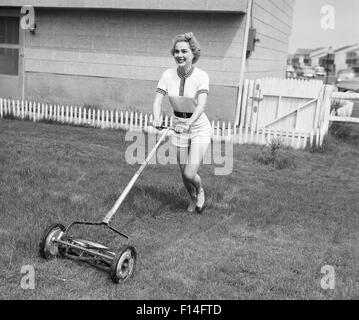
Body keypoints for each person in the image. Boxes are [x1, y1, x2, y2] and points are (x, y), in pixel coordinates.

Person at [152, 32, 212, 214]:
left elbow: (201, 104)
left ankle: (200, 192)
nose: (179, 55)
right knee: (183, 173)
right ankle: (192, 198)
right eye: (176, 51)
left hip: (199, 127)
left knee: (189, 173)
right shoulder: (168, 75)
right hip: (178, 125)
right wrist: (156, 117)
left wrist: (189, 123)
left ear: (193, 54)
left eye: (184, 51)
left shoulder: (201, 76)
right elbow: (157, 100)